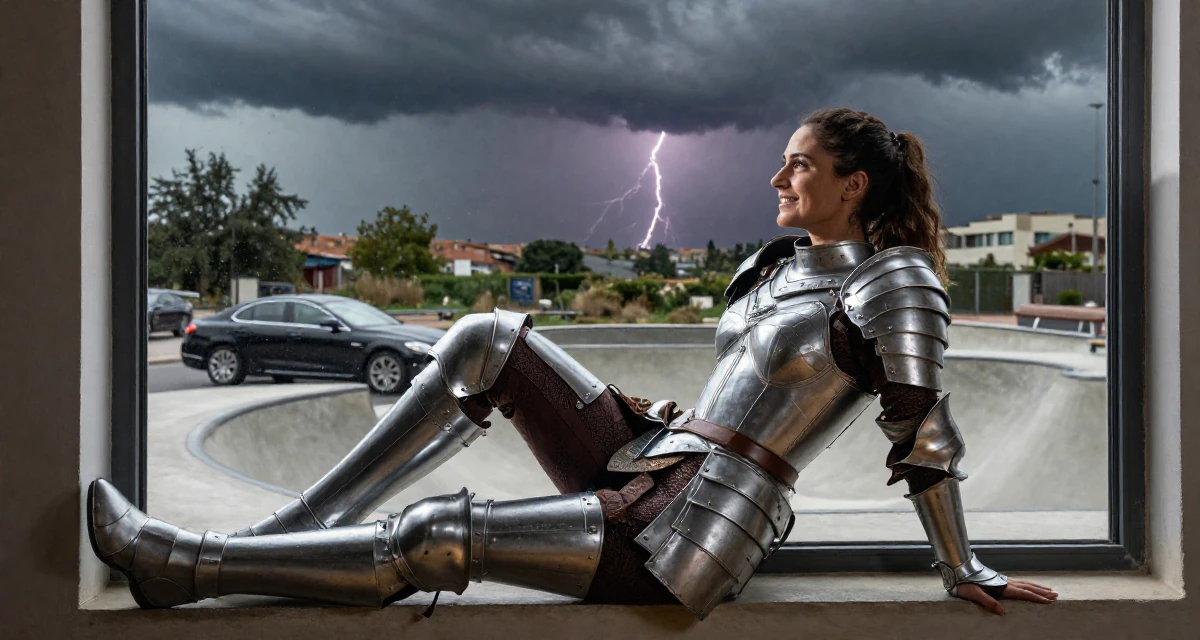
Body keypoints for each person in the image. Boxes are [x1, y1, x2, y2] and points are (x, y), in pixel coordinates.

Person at [87, 107, 1056, 619]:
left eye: (798, 165)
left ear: (855, 183)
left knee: (435, 534)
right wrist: (661, 418)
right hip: (655, 454)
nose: (776, 178)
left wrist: (962, 565)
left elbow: (922, 430)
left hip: (701, 522)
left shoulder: (892, 283)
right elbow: (743, 388)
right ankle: (290, 531)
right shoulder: (773, 268)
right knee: (480, 339)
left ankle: (189, 566)